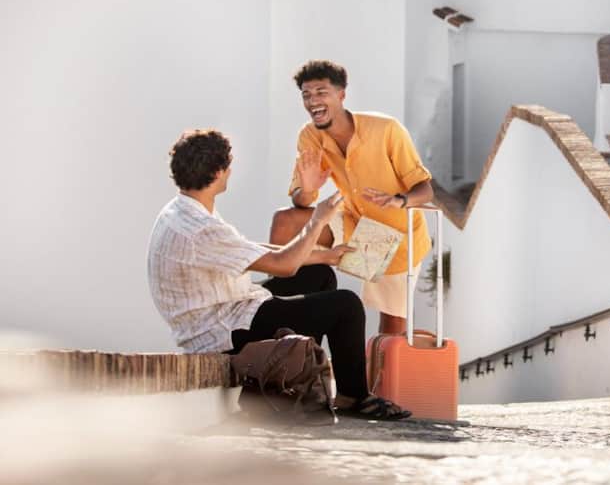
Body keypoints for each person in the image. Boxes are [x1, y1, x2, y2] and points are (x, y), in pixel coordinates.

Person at [147, 129, 409, 420]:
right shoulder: (201, 228)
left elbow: (251, 250)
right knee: (346, 305)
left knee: (319, 275)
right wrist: (317, 220)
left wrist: (324, 256)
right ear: (220, 172)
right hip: (222, 332)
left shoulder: (183, 210)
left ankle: (299, 374)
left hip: (225, 308)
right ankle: (354, 396)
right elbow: (283, 264)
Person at [269, 60, 434, 335]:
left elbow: (425, 189)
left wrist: (399, 200)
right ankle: (282, 321)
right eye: (306, 95)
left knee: (391, 329)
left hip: (396, 240)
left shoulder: (386, 129)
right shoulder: (309, 135)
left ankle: (381, 364)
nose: (312, 101)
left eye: (321, 92)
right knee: (286, 221)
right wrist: (308, 189)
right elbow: (301, 201)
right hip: (353, 223)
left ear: (341, 95)